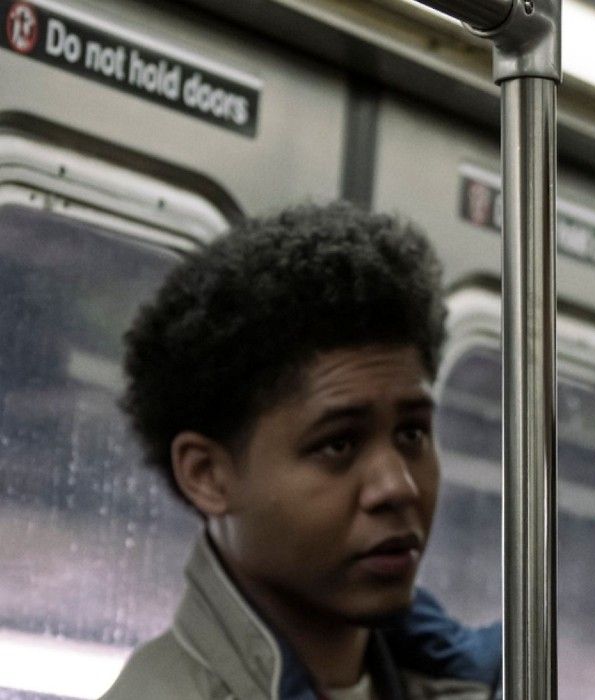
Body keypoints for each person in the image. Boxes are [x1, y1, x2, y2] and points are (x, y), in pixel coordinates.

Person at [103, 203, 502, 700]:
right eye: (338, 445)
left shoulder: (481, 681)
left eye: (412, 435)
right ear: (208, 475)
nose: (398, 486)